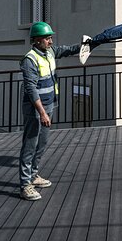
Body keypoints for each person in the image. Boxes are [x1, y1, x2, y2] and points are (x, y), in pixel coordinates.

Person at [19, 21, 81, 201]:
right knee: (30, 146)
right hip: (35, 109)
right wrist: (42, 113)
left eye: (50, 38)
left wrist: (87, 45)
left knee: (42, 143)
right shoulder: (29, 60)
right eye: (47, 38)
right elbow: (31, 89)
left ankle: (34, 175)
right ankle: (25, 185)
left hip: (49, 104)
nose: (50, 41)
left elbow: (68, 49)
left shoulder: (50, 53)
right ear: (36, 40)